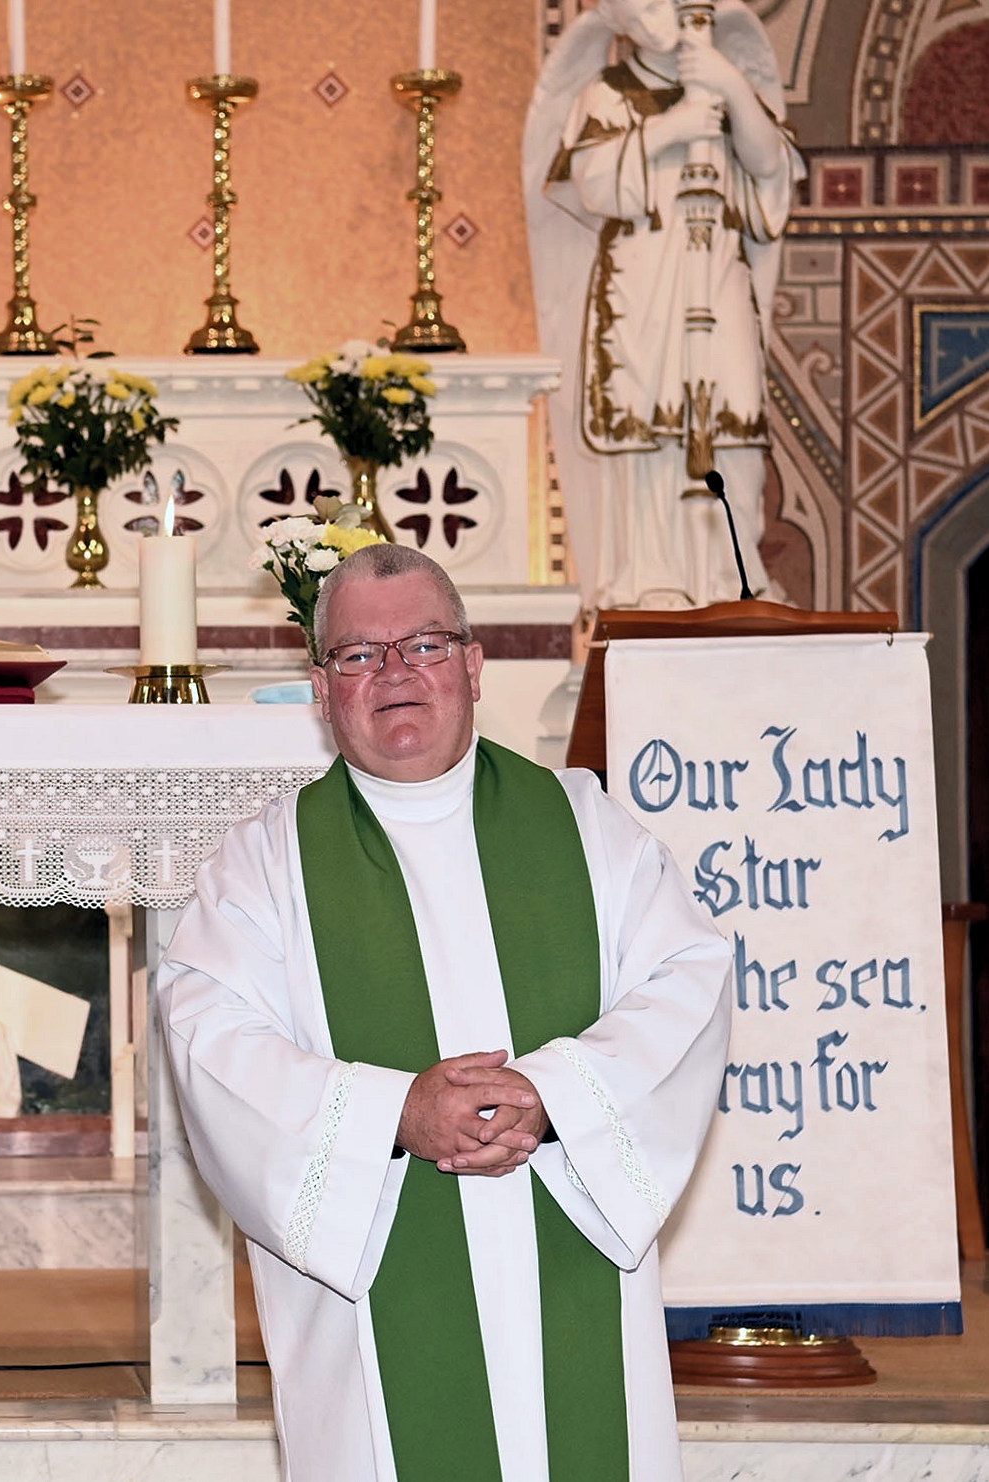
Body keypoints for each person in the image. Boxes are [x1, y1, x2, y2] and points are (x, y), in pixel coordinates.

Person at [160, 543, 729, 1482]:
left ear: (471, 664)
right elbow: (208, 1032)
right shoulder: (266, 864)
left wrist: (552, 1094)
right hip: (381, 1282)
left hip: (562, 1249)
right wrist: (394, 1113)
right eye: (357, 654)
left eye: (422, 644)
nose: (393, 673)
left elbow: (687, 978)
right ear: (320, 686)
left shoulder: (581, 824)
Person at [526, 0, 802, 609]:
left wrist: (727, 82)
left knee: (732, 412)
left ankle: (730, 571)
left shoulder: (721, 82)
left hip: (717, 269)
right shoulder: (607, 91)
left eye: (665, 3)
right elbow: (591, 182)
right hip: (641, 279)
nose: (659, 18)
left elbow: (769, 167)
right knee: (645, 427)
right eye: (642, 7)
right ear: (619, 22)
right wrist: (671, 130)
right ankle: (650, 578)